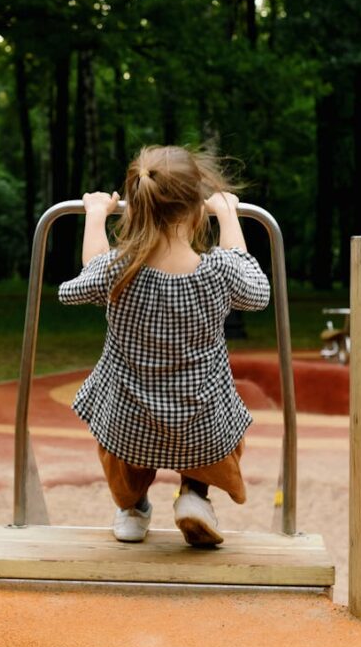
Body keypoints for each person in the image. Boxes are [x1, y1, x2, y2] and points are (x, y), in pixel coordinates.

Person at [58, 144, 270, 547]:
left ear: (135, 209)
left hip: (128, 429)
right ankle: (195, 494)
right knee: (220, 404)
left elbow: (77, 286)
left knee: (115, 420)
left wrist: (96, 217)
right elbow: (257, 292)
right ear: (195, 212)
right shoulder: (219, 272)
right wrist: (227, 216)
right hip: (203, 431)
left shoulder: (118, 272)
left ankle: (132, 507)